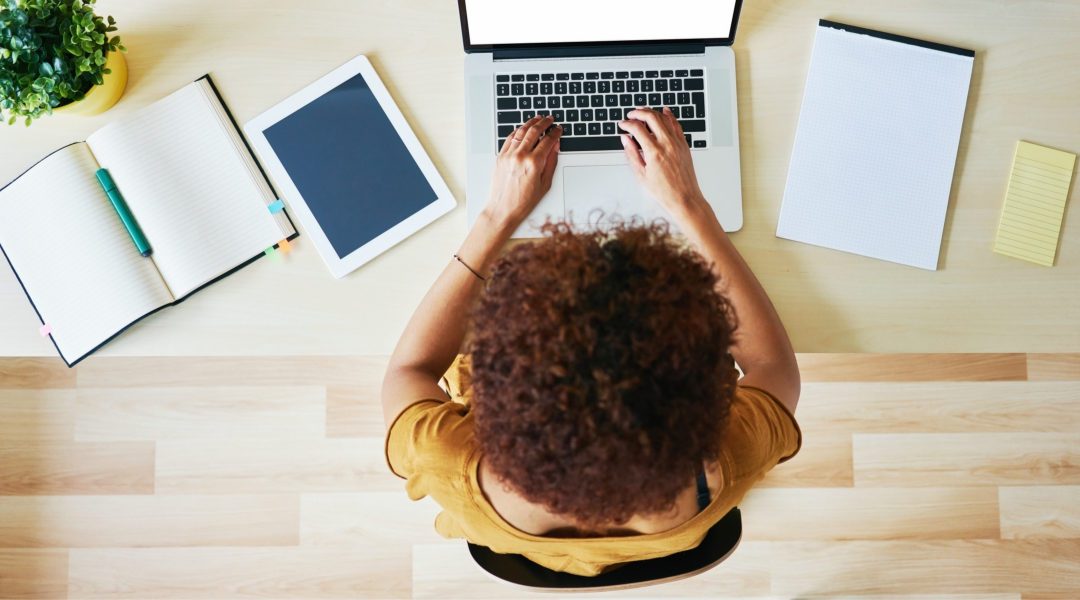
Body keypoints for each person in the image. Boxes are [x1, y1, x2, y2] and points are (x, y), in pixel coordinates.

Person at [382, 111, 801, 577]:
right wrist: (688, 205)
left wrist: (497, 215)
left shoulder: (443, 457)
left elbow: (410, 369)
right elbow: (772, 363)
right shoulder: (728, 461)